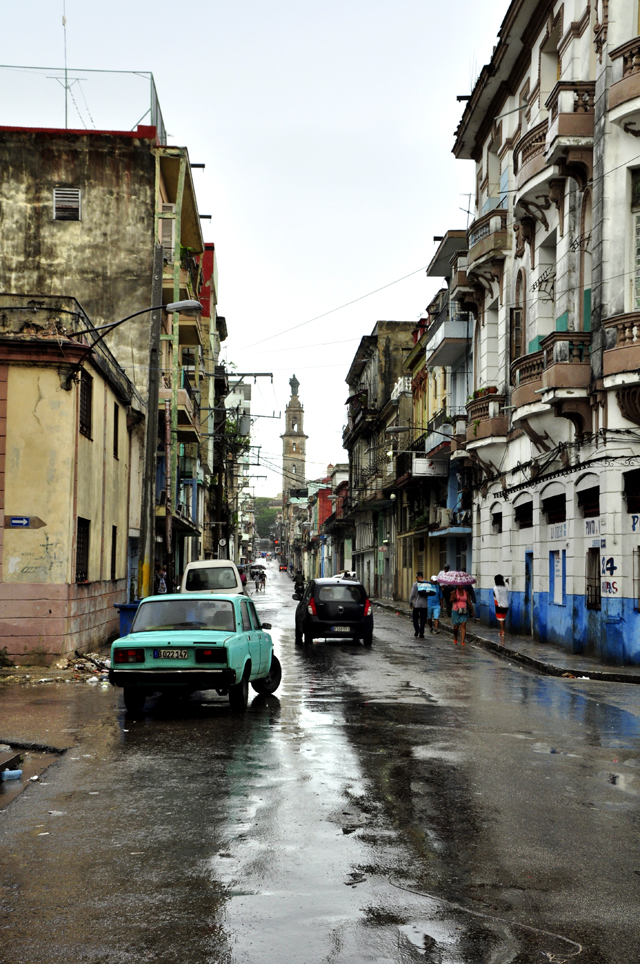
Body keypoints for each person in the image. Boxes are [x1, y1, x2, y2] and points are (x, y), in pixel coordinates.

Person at [409, 571, 431, 639]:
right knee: (423, 619)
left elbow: (412, 594)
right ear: (422, 576)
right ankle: (421, 633)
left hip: (417, 604)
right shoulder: (427, 583)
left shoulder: (415, 584)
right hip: (424, 605)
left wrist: (410, 602)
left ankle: (417, 630)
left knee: (415, 618)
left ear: (417, 577)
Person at [493, 574, 509, 638]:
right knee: (503, 618)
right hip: (506, 605)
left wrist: (499, 604)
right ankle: (502, 630)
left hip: (499, 604)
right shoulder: (505, 587)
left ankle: (502, 631)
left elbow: (498, 596)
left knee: (501, 618)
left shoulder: (495, 588)